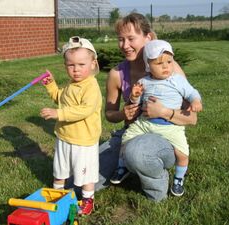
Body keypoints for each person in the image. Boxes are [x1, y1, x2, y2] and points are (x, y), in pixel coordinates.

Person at [95, 13, 198, 201]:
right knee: (84, 177)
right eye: (120, 39)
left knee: (137, 153)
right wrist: (122, 113)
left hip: (165, 136)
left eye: (131, 39)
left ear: (148, 37)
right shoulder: (117, 74)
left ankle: (157, 188)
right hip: (133, 131)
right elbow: (109, 114)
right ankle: (126, 167)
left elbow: (192, 118)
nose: (125, 46)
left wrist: (164, 112)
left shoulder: (169, 68)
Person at [110, 39, 203, 197]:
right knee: (126, 139)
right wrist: (134, 96)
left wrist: (196, 101)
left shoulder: (177, 81)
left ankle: (178, 179)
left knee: (182, 153)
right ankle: (122, 167)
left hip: (170, 126)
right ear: (148, 66)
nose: (166, 66)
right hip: (145, 123)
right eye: (159, 63)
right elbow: (136, 103)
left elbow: (192, 92)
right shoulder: (143, 82)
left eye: (169, 61)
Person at [40, 36, 102, 215]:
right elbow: (62, 98)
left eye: (81, 65)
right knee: (60, 169)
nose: (76, 70)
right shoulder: (72, 84)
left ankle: (88, 200)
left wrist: (58, 113)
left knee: (85, 174)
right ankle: (57, 194)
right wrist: (51, 85)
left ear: (92, 63)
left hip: (83, 141)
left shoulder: (90, 87)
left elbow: (84, 110)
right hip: (64, 136)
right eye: (71, 65)